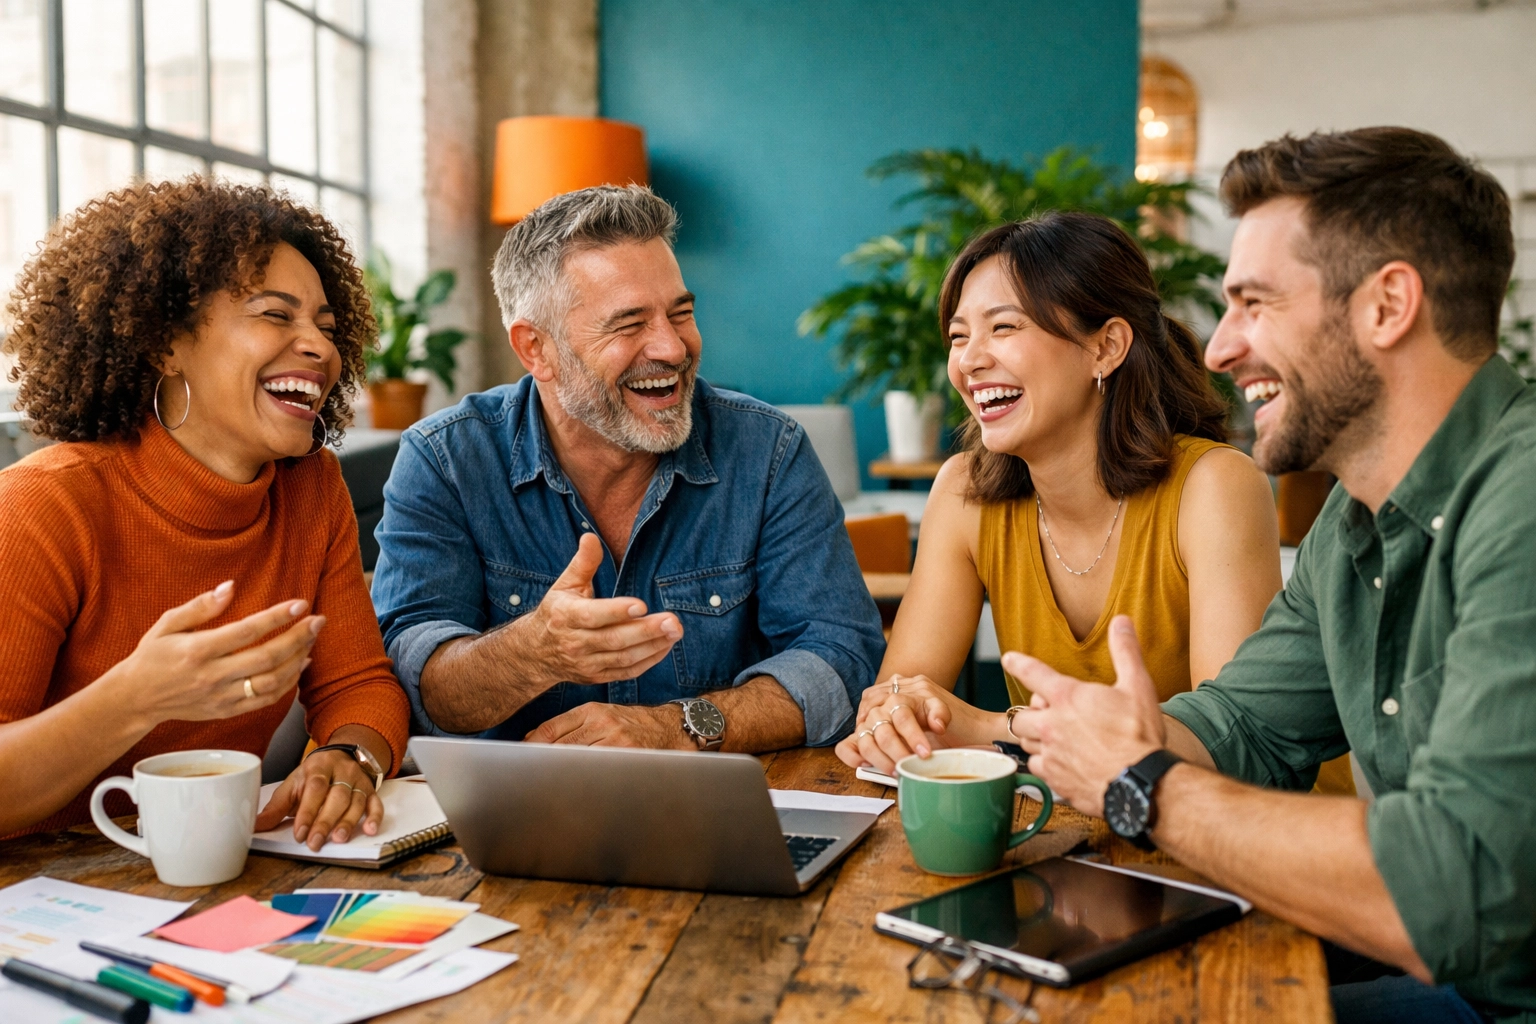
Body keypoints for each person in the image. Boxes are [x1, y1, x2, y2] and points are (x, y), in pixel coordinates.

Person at [1007, 128, 1536, 1023]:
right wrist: (1106, 737)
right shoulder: (1354, 520)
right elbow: (1243, 723)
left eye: (1253, 302)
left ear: (1386, 305)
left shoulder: (1520, 501)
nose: (1217, 350)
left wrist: (1143, 785)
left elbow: (1454, 886)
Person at [372, 185, 884, 752]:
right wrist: (533, 651)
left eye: (680, 313)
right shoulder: (445, 459)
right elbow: (412, 681)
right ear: (536, 349)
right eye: (629, 324)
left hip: (718, 810)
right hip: (513, 818)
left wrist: (679, 727)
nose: (671, 347)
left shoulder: (768, 450)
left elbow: (843, 658)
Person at [0, 178, 409, 851]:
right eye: (276, 315)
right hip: (37, 894)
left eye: (327, 328)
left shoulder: (311, 490)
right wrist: (138, 696)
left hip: (209, 873)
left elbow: (359, 683)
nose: (319, 348)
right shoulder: (45, 506)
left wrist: (349, 759)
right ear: (165, 342)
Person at [835, 211, 1281, 774]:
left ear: (1106, 347)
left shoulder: (1215, 485)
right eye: (957, 336)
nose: (969, 360)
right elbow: (909, 698)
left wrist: (997, 727)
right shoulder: (964, 492)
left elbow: (1230, 742)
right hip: (1075, 819)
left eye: (1004, 327)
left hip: (1251, 838)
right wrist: (894, 716)